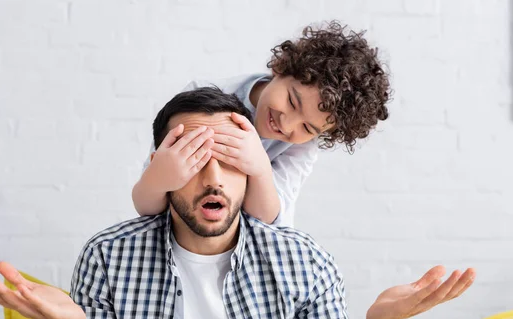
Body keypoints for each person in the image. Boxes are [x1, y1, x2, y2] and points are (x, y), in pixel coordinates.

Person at [0, 88, 474, 319]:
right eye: (193, 158)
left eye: (231, 160)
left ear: (257, 167)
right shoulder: (109, 256)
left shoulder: (302, 261)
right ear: (162, 169)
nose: (214, 178)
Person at [132, 21, 391, 227]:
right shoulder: (201, 101)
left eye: (309, 128)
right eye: (292, 101)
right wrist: (159, 179)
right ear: (280, 67)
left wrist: (258, 168)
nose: (288, 125)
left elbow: (268, 218)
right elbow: (147, 205)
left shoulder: (300, 147)